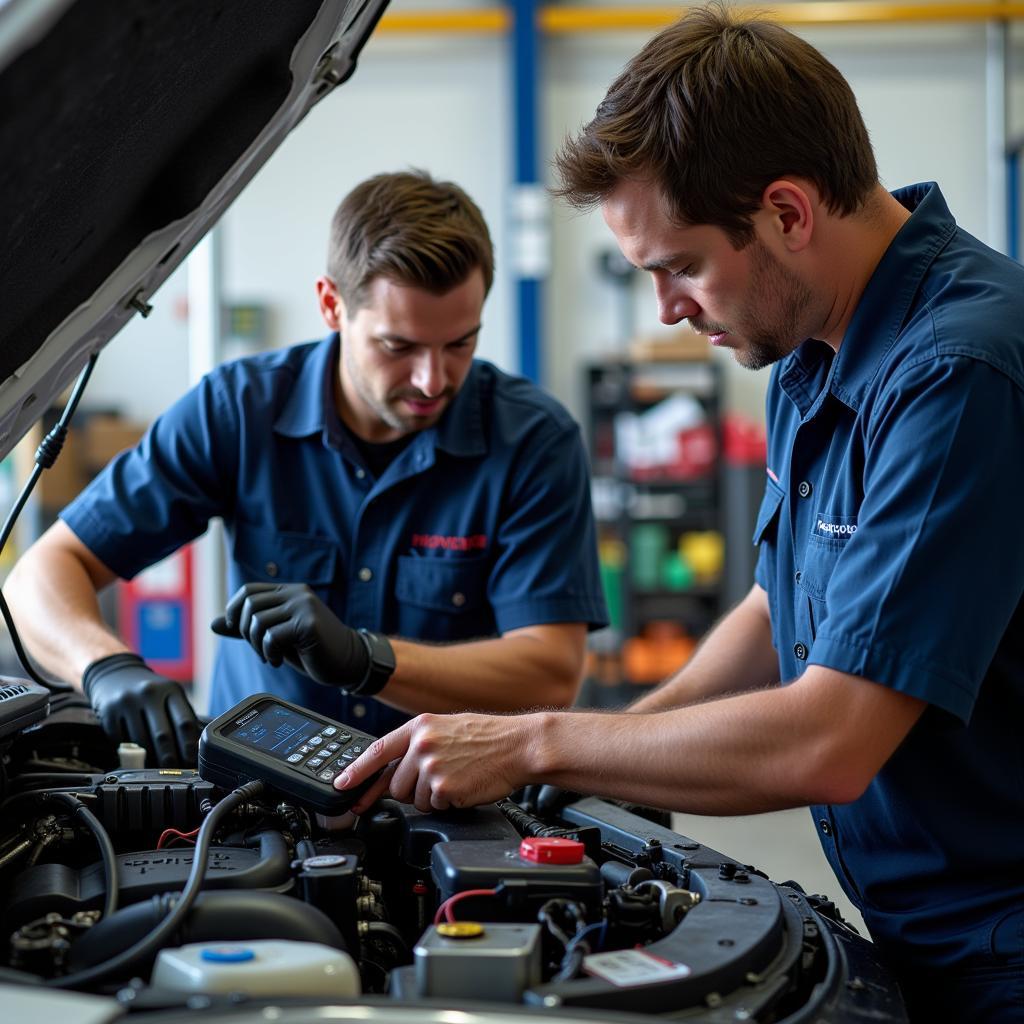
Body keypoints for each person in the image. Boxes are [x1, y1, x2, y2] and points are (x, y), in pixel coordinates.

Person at [335, 10, 1024, 1021]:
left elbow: (826, 741)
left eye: (679, 266)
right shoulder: (814, 346)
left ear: (787, 213)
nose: (664, 308)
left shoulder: (959, 372)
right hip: (929, 925)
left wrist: (537, 744)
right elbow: (773, 602)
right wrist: (618, 753)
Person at [3, 170, 608, 771]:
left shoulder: (533, 441)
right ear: (331, 304)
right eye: (399, 347)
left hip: (444, 803)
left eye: (460, 345)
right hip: (254, 795)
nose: (433, 380)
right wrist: (105, 666)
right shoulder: (238, 412)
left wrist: (365, 659)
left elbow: (550, 670)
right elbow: (39, 577)